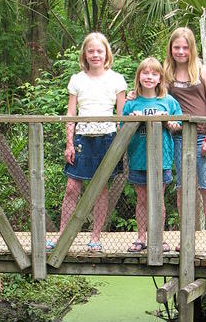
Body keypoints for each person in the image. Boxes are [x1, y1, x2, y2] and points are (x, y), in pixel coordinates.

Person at [47, 32, 126, 253]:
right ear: (85, 54)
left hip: (107, 139)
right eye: (91, 51)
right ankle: (63, 235)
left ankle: (95, 237)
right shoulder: (77, 80)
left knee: (101, 189)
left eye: (99, 51)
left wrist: (120, 146)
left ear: (106, 53)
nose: (95, 55)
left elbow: (122, 116)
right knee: (72, 187)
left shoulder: (117, 79)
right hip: (82, 138)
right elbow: (71, 113)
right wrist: (69, 143)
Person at [164, 26, 206, 251]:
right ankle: (186, 239)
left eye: (185, 47)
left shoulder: (204, 71)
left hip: (202, 137)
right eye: (177, 47)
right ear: (171, 48)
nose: (181, 51)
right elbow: (159, 102)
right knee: (182, 189)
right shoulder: (166, 73)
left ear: (191, 48)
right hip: (178, 138)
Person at [121, 58, 182, 253]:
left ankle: (159, 237)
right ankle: (141, 237)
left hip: (161, 159)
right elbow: (121, 128)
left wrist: (170, 124)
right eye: (145, 73)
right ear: (139, 76)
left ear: (160, 79)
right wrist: (131, 121)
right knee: (141, 198)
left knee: (159, 199)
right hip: (138, 157)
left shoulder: (168, 101)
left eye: (154, 74)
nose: (149, 77)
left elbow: (178, 125)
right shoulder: (131, 103)